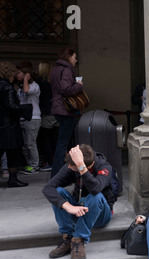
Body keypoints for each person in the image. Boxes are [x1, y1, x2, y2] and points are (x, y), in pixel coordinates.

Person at [42, 144, 115, 259]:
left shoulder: (104, 167)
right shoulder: (71, 167)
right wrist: (68, 206)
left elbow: (95, 188)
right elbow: (48, 188)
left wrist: (81, 167)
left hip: (100, 214)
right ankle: (68, 237)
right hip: (78, 209)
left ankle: (78, 240)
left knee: (95, 195)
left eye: (73, 165)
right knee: (58, 191)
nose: (69, 167)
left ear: (81, 164)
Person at [50, 47, 84, 178]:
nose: (76, 60)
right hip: (65, 109)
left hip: (58, 108)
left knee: (65, 142)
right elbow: (66, 89)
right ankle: (58, 174)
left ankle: (67, 171)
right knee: (63, 143)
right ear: (68, 57)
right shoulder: (66, 70)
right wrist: (79, 85)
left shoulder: (56, 69)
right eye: (74, 57)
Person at [0, 62, 33, 188]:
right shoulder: (7, 87)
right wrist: (26, 108)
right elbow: (11, 106)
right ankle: (13, 179)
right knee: (13, 153)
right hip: (9, 126)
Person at [16, 61, 41, 175]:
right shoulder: (20, 89)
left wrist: (26, 79)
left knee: (31, 143)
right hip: (23, 118)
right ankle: (29, 164)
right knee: (25, 145)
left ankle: (34, 166)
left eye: (20, 73)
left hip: (33, 118)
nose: (17, 75)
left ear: (27, 74)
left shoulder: (35, 86)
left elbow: (27, 90)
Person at [36, 62, 58, 172]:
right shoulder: (55, 81)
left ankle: (50, 161)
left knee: (44, 138)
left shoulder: (41, 82)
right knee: (55, 138)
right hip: (57, 112)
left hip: (46, 112)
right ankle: (57, 161)